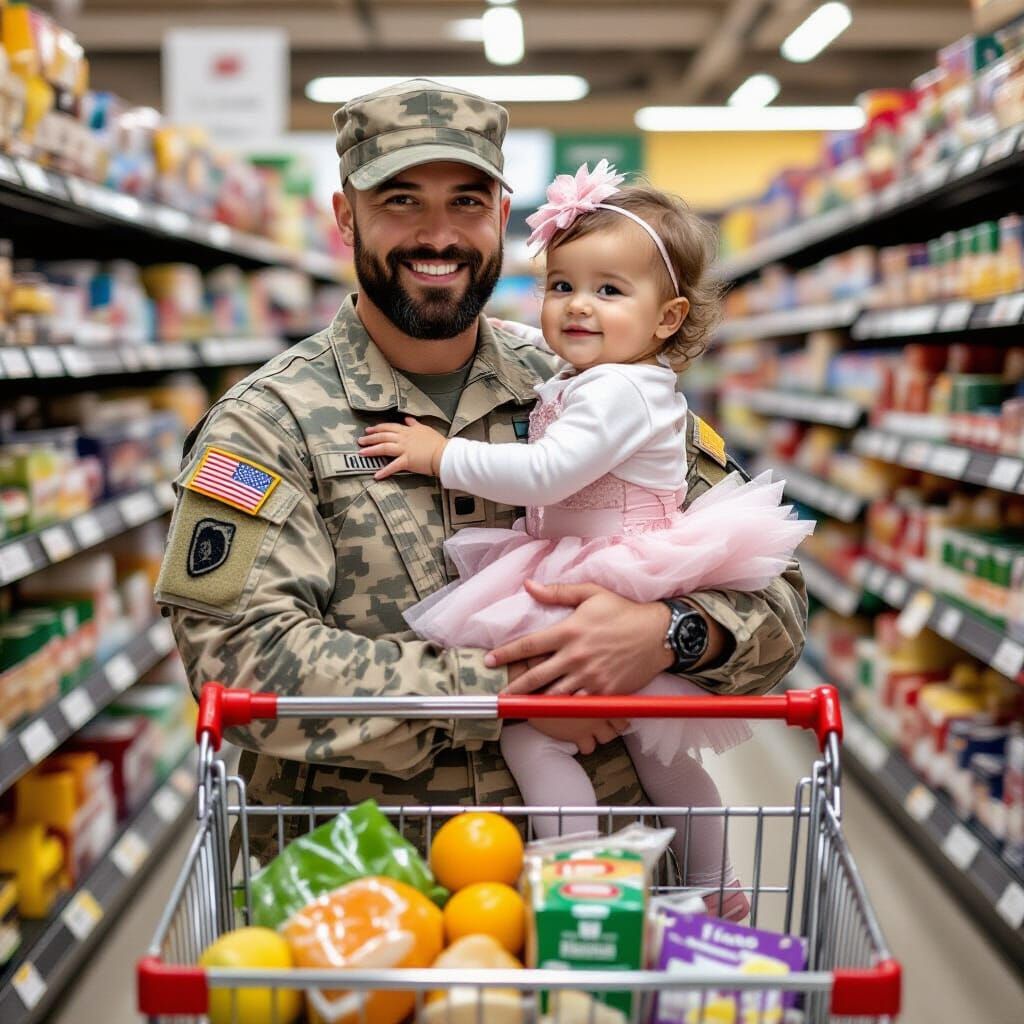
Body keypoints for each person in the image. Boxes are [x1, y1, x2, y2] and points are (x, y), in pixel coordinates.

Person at [154, 79, 808, 862]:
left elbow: (779, 603)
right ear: (344, 218)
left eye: (466, 203)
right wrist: (511, 690)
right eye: (400, 200)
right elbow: (242, 666)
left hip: (611, 897)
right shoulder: (269, 422)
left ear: (502, 218)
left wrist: (669, 634)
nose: (438, 235)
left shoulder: (592, 380)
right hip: (373, 890)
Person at [356, 161, 814, 917]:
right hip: (595, 564)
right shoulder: (592, 378)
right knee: (660, 750)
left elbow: (549, 474)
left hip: (611, 571)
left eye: (609, 291)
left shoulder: (615, 386)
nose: (577, 307)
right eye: (562, 286)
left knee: (540, 742)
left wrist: (443, 454)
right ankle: (710, 886)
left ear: (667, 319)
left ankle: (578, 887)